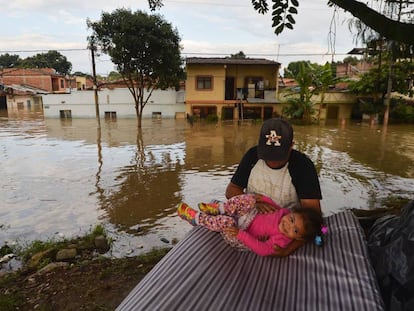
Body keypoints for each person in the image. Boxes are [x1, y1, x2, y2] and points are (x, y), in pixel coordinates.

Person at [225, 118, 322, 257]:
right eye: (268, 155)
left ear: (291, 146)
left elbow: (314, 217)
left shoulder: (303, 166)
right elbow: (231, 190)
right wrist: (253, 202)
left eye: (278, 156)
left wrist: (286, 250)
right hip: (251, 219)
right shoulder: (252, 156)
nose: (272, 161)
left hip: (286, 230)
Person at [177, 193, 323, 257]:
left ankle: (196, 218)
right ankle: (220, 208)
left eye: (295, 230)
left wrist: (240, 234)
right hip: (246, 217)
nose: (288, 225)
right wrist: (261, 199)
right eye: (291, 220)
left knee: (226, 222)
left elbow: (264, 250)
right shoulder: (283, 212)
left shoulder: (282, 240)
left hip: (241, 235)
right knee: (250, 199)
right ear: (292, 212)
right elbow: (271, 205)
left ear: (299, 238)